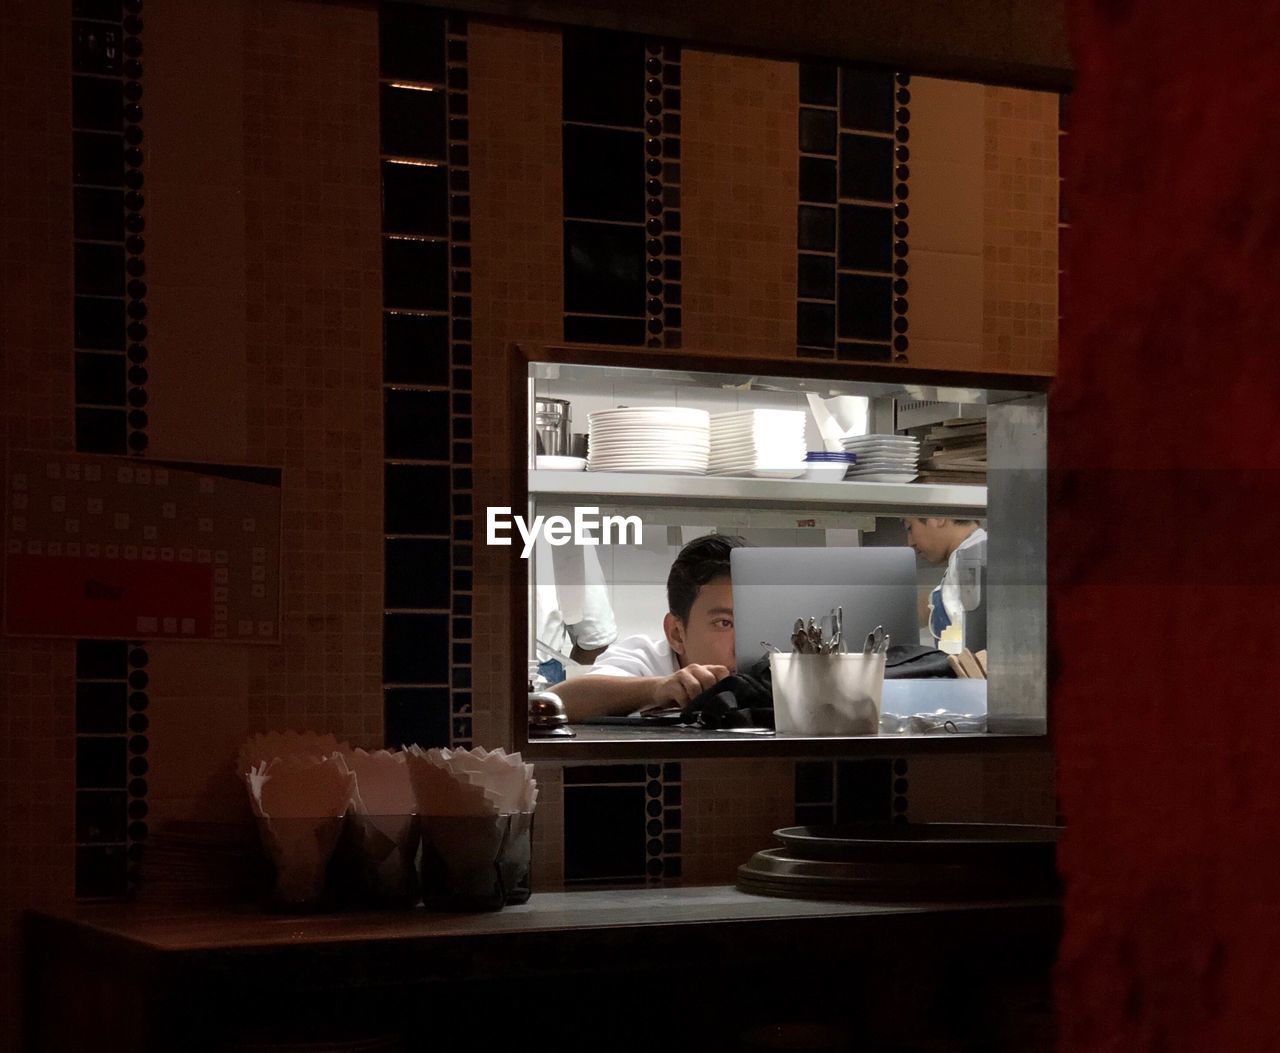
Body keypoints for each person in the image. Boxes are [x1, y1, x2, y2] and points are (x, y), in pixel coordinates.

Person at [549, 533, 747, 721]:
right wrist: (657, 689)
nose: (742, 645)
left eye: (755, 621)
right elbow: (559, 701)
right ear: (676, 634)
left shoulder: (776, 662)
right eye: (724, 623)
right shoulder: (645, 660)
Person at [903, 517, 987, 643]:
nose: (910, 542)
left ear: (938, 518)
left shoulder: (972, 559)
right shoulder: (970, 554)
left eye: (910, 528)